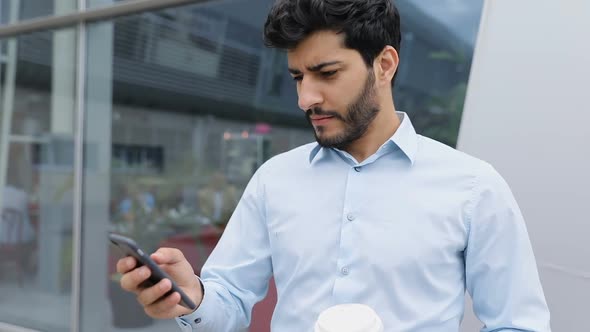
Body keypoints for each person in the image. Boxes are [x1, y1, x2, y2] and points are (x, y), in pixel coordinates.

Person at [116, 0, 551, 331]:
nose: (306, 99)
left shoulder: (474, 187)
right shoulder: (274, 180)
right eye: (298, 78)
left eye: (326, 73)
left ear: (384, 65)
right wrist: (191, 297)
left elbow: (518, 323)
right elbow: (228, 300)